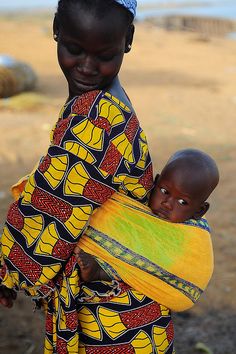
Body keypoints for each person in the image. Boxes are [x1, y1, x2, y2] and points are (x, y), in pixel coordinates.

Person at [0, 1, 177, 353]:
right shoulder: (105, 99)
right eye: (74, 49)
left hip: (111, 319)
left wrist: (8, 271)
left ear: (128, 39)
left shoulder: (97, 118)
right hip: (133, 311)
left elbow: (51, 210)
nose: (86, 66)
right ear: (56, 30)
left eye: (104, 55)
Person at [74, 148, 219, 282]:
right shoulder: (136, 203)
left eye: (182, 202)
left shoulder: (193, 236)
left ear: (199, 211)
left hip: (160, 280)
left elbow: (187, 271)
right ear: (155, 183)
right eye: (164, 191)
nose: (167, 203)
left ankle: (99, 273)